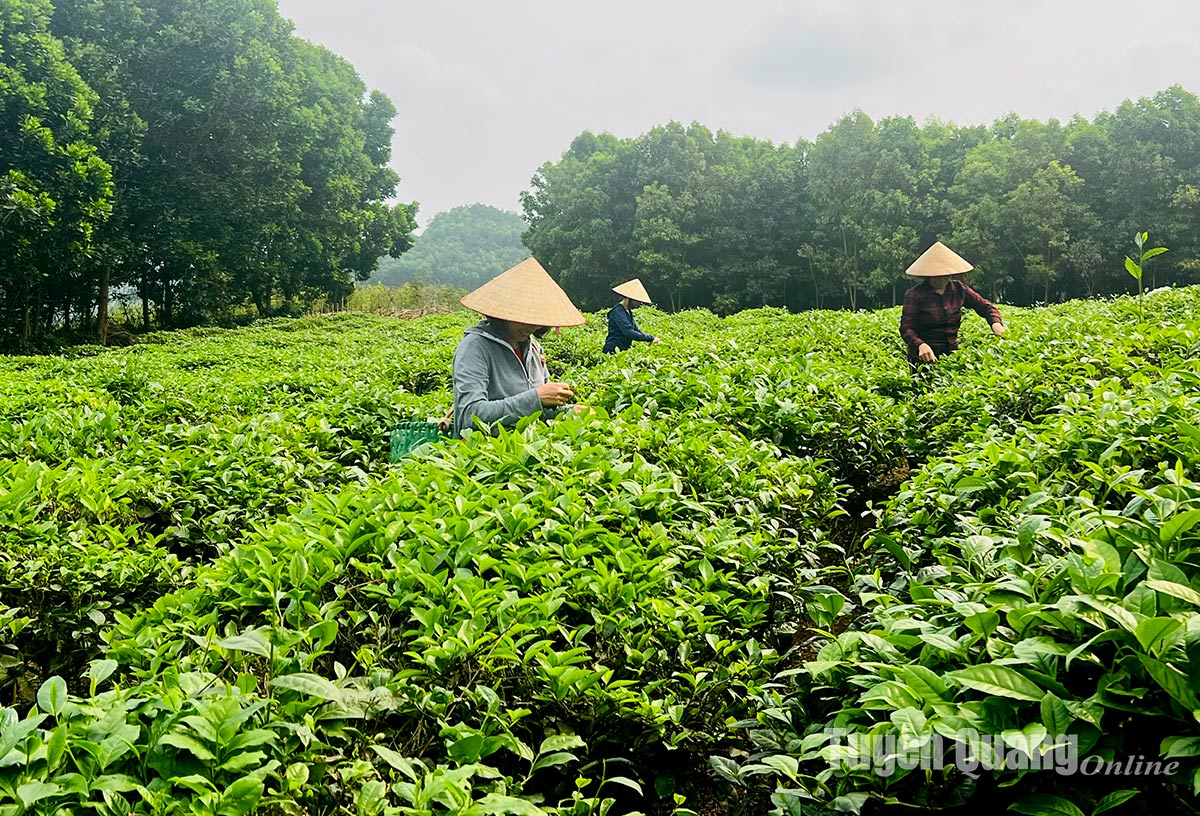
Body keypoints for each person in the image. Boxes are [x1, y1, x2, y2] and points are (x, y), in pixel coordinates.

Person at [451, 257, 586, 437]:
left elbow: (538, 411)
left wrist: (568, 412)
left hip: (527, 451)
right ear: (504, 313)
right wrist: (536, 397)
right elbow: (470, 415)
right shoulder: (475, 347)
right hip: (487, 456)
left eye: (538, 319)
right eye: (524, 318)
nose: (532, 326)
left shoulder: (534, 349)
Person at [900, 242, 1008, 372]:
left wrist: (995, 323)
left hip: (951, 354)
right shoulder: (915, 295)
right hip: (923, 357)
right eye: (936, 276)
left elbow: (986, 307)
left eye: (945, 275)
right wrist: (920, 345)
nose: (941, 279)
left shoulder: (958, 289)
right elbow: (906, 329)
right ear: (928, 276)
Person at [603, 279, 661, 354]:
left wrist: (651, 338)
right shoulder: (618, 312)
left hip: (623, 350)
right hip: (612, 350)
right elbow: (629, 332)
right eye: (637, 301)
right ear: (628, 298)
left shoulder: (628, 312)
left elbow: (636, 330)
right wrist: (650, 338)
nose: (638, 304)